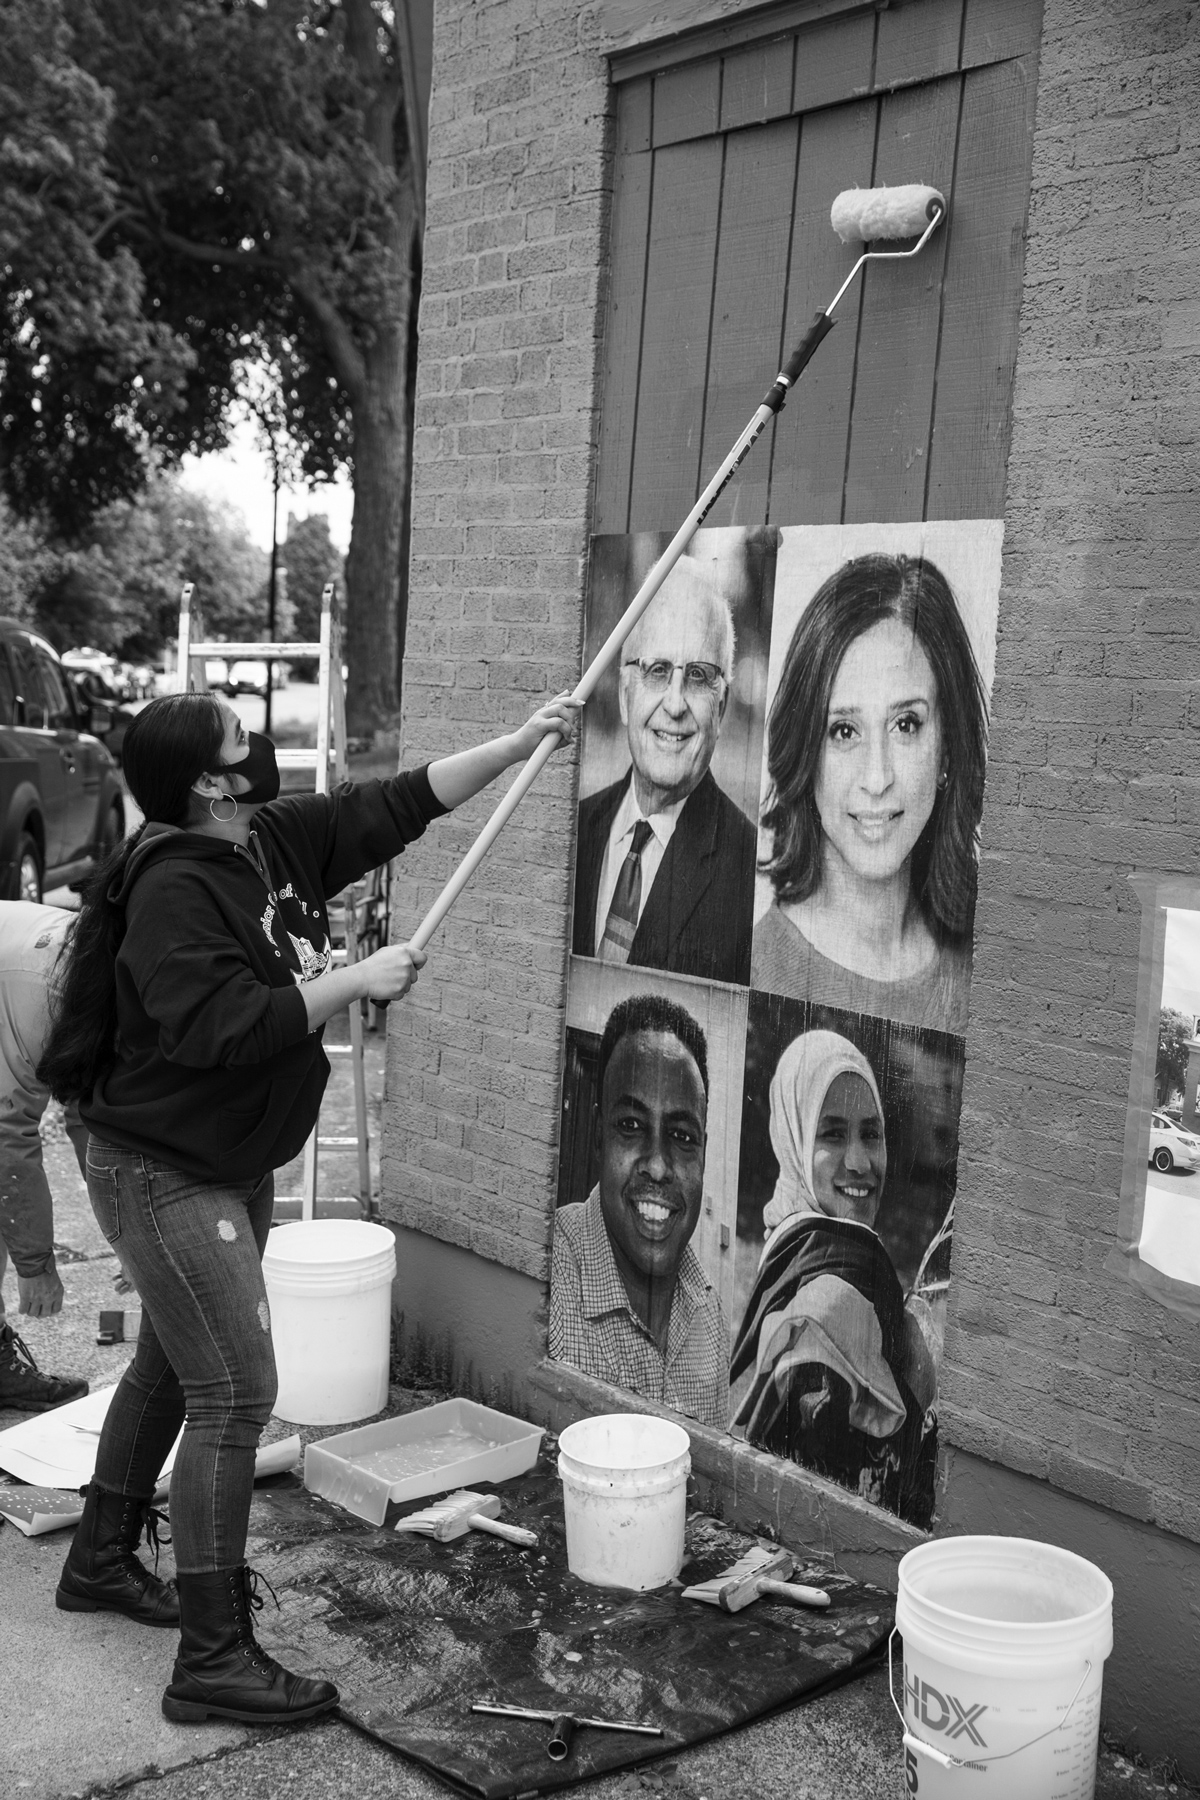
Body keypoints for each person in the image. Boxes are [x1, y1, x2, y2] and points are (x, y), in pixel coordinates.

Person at [38, 686, 577, 1726]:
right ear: (205, 777)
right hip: (159, 1167)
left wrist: (515, 746)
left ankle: (101, 1559)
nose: (259, 743)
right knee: (238, 1394)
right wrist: (356, 981)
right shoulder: (172, 889)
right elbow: (220, 1029)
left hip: (224, 1154)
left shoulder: (265, 842)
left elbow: (394, 805)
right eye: (239, 737)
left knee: (173, 1361)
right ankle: (213, 1657)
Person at [753, 554, 988, 1035]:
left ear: (946, 751)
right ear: (805, 753)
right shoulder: (757, 966)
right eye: (843, 731)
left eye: (906, 725)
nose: (877, 777)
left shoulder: (984, 968)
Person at [730, 1029, 937, 1528]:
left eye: (871, 1133)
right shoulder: (831, 1294)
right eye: (832, 1134)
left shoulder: (792, 1244)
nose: (860, 1163)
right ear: (795, 1138)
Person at [572, 558, 757, 985]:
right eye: (657, 671)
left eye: (697, 676)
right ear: (624, 695)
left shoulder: (750, 875)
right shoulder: (577, 831)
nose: (674, 705)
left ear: (722, 708)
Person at [550, 994, 728, 1427]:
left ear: (704, 1154)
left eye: (682, 1136)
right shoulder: (547, 1284)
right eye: (630, 1126)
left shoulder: (710, 1320)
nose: (658, 1165)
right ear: (598, 1139)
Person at [0, 901, 91, 1412]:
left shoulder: (112, 986)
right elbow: (6, 1136)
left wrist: (129, 1234)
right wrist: (34, 1264)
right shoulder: (45, 1000)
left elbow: (89, 1117)